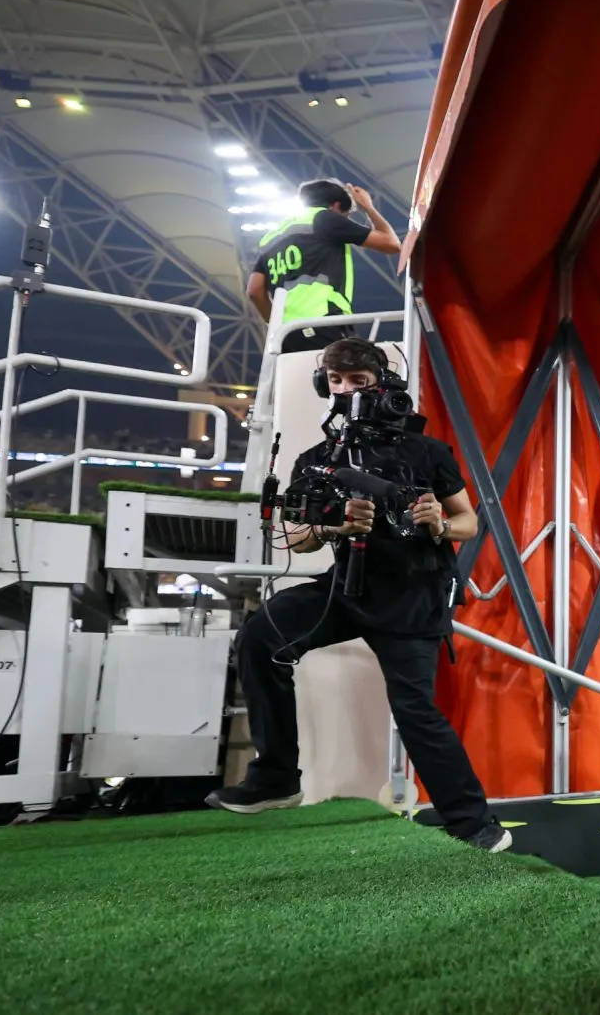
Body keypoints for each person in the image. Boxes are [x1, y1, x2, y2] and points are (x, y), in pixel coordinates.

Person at [208, 337, 510, 852]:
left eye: (358, 381)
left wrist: (438, 520)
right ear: (325, 384)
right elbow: (299, 537)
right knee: (260, 638)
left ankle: (473, 823)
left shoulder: (426, 451)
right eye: (337, 380)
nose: (346, 389)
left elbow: (469, 522)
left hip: (412, 596)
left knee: (413, 706)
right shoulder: (317, 458)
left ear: (382, 385)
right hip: (346, 587)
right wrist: (336, 529)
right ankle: (277, 776)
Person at [246, 179, 402, 352]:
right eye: (346, 215)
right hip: (323, 320)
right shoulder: (324, 218)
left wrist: (276, 321)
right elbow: (391, 244)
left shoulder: (271, 236)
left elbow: (254, 289)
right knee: (352, 374)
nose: (346, 221)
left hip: (286, 333)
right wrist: (367, 207)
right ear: (335, 206)